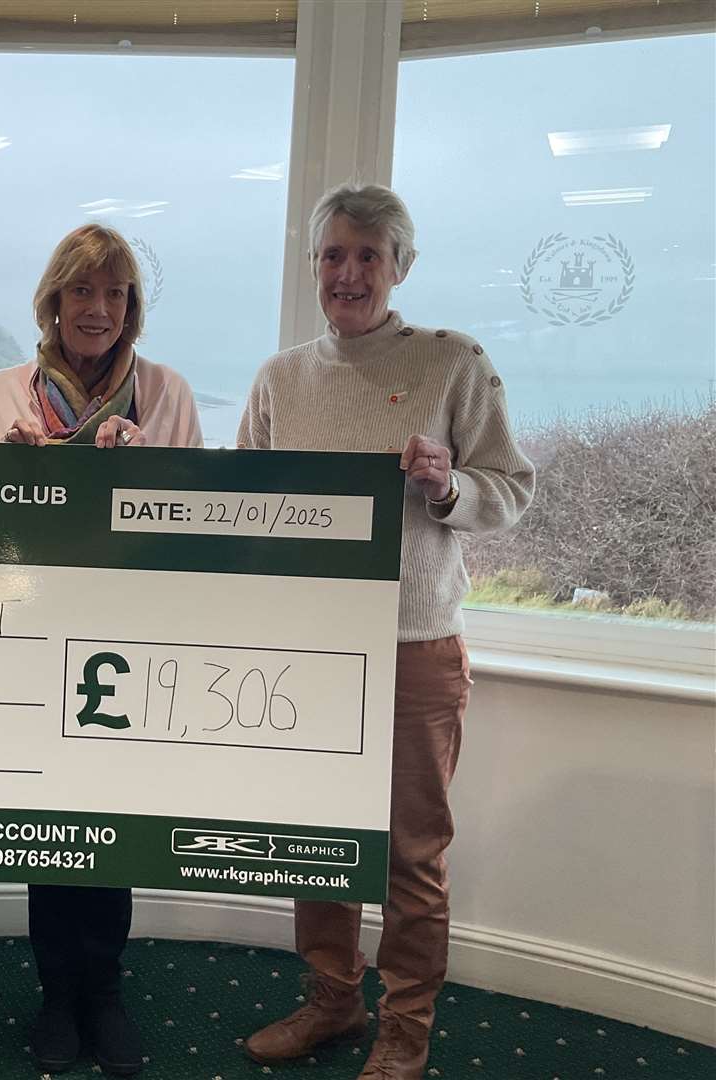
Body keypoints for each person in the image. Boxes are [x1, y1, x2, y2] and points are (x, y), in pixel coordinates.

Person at [237, 182, 534, 1080]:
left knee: (411, 853)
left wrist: (449, 487)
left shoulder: (454, 362)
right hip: (313, 649)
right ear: (314, 266)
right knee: (317, 840)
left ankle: (406, 1026)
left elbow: (511, 489)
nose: (350, 272)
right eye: (334, 255)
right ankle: (333, 999)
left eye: (369, 255)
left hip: (415, 652)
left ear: (400, 268)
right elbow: (246, 503)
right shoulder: (281, 377)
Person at [0, 223, 201, 1077]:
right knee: (48, 830)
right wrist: (15, 478)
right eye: (81, 292)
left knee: (111, 828)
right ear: (53, 303)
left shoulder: (168, 395)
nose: (97, 309)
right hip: (30, 642)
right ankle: (56, 995)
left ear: (131, 307)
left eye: (114, 293)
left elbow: (191, 530)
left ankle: (104, 992)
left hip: (127, 647)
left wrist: (140, 478)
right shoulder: (4, 394)